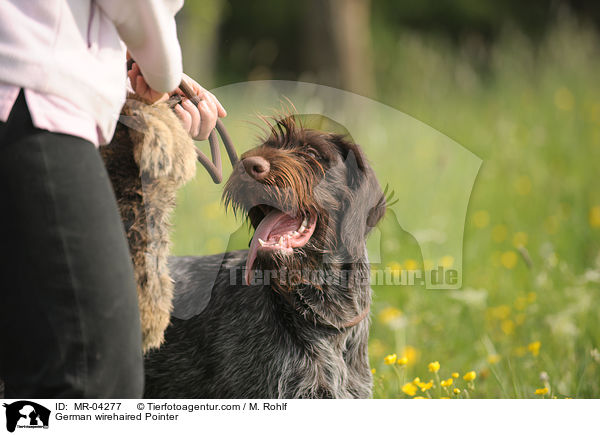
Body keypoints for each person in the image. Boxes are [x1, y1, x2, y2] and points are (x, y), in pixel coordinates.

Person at [0, 0, 225, 398]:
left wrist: (123, 71)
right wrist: (161, 71)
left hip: (26, 85)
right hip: (30, 104)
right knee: (97, 374)